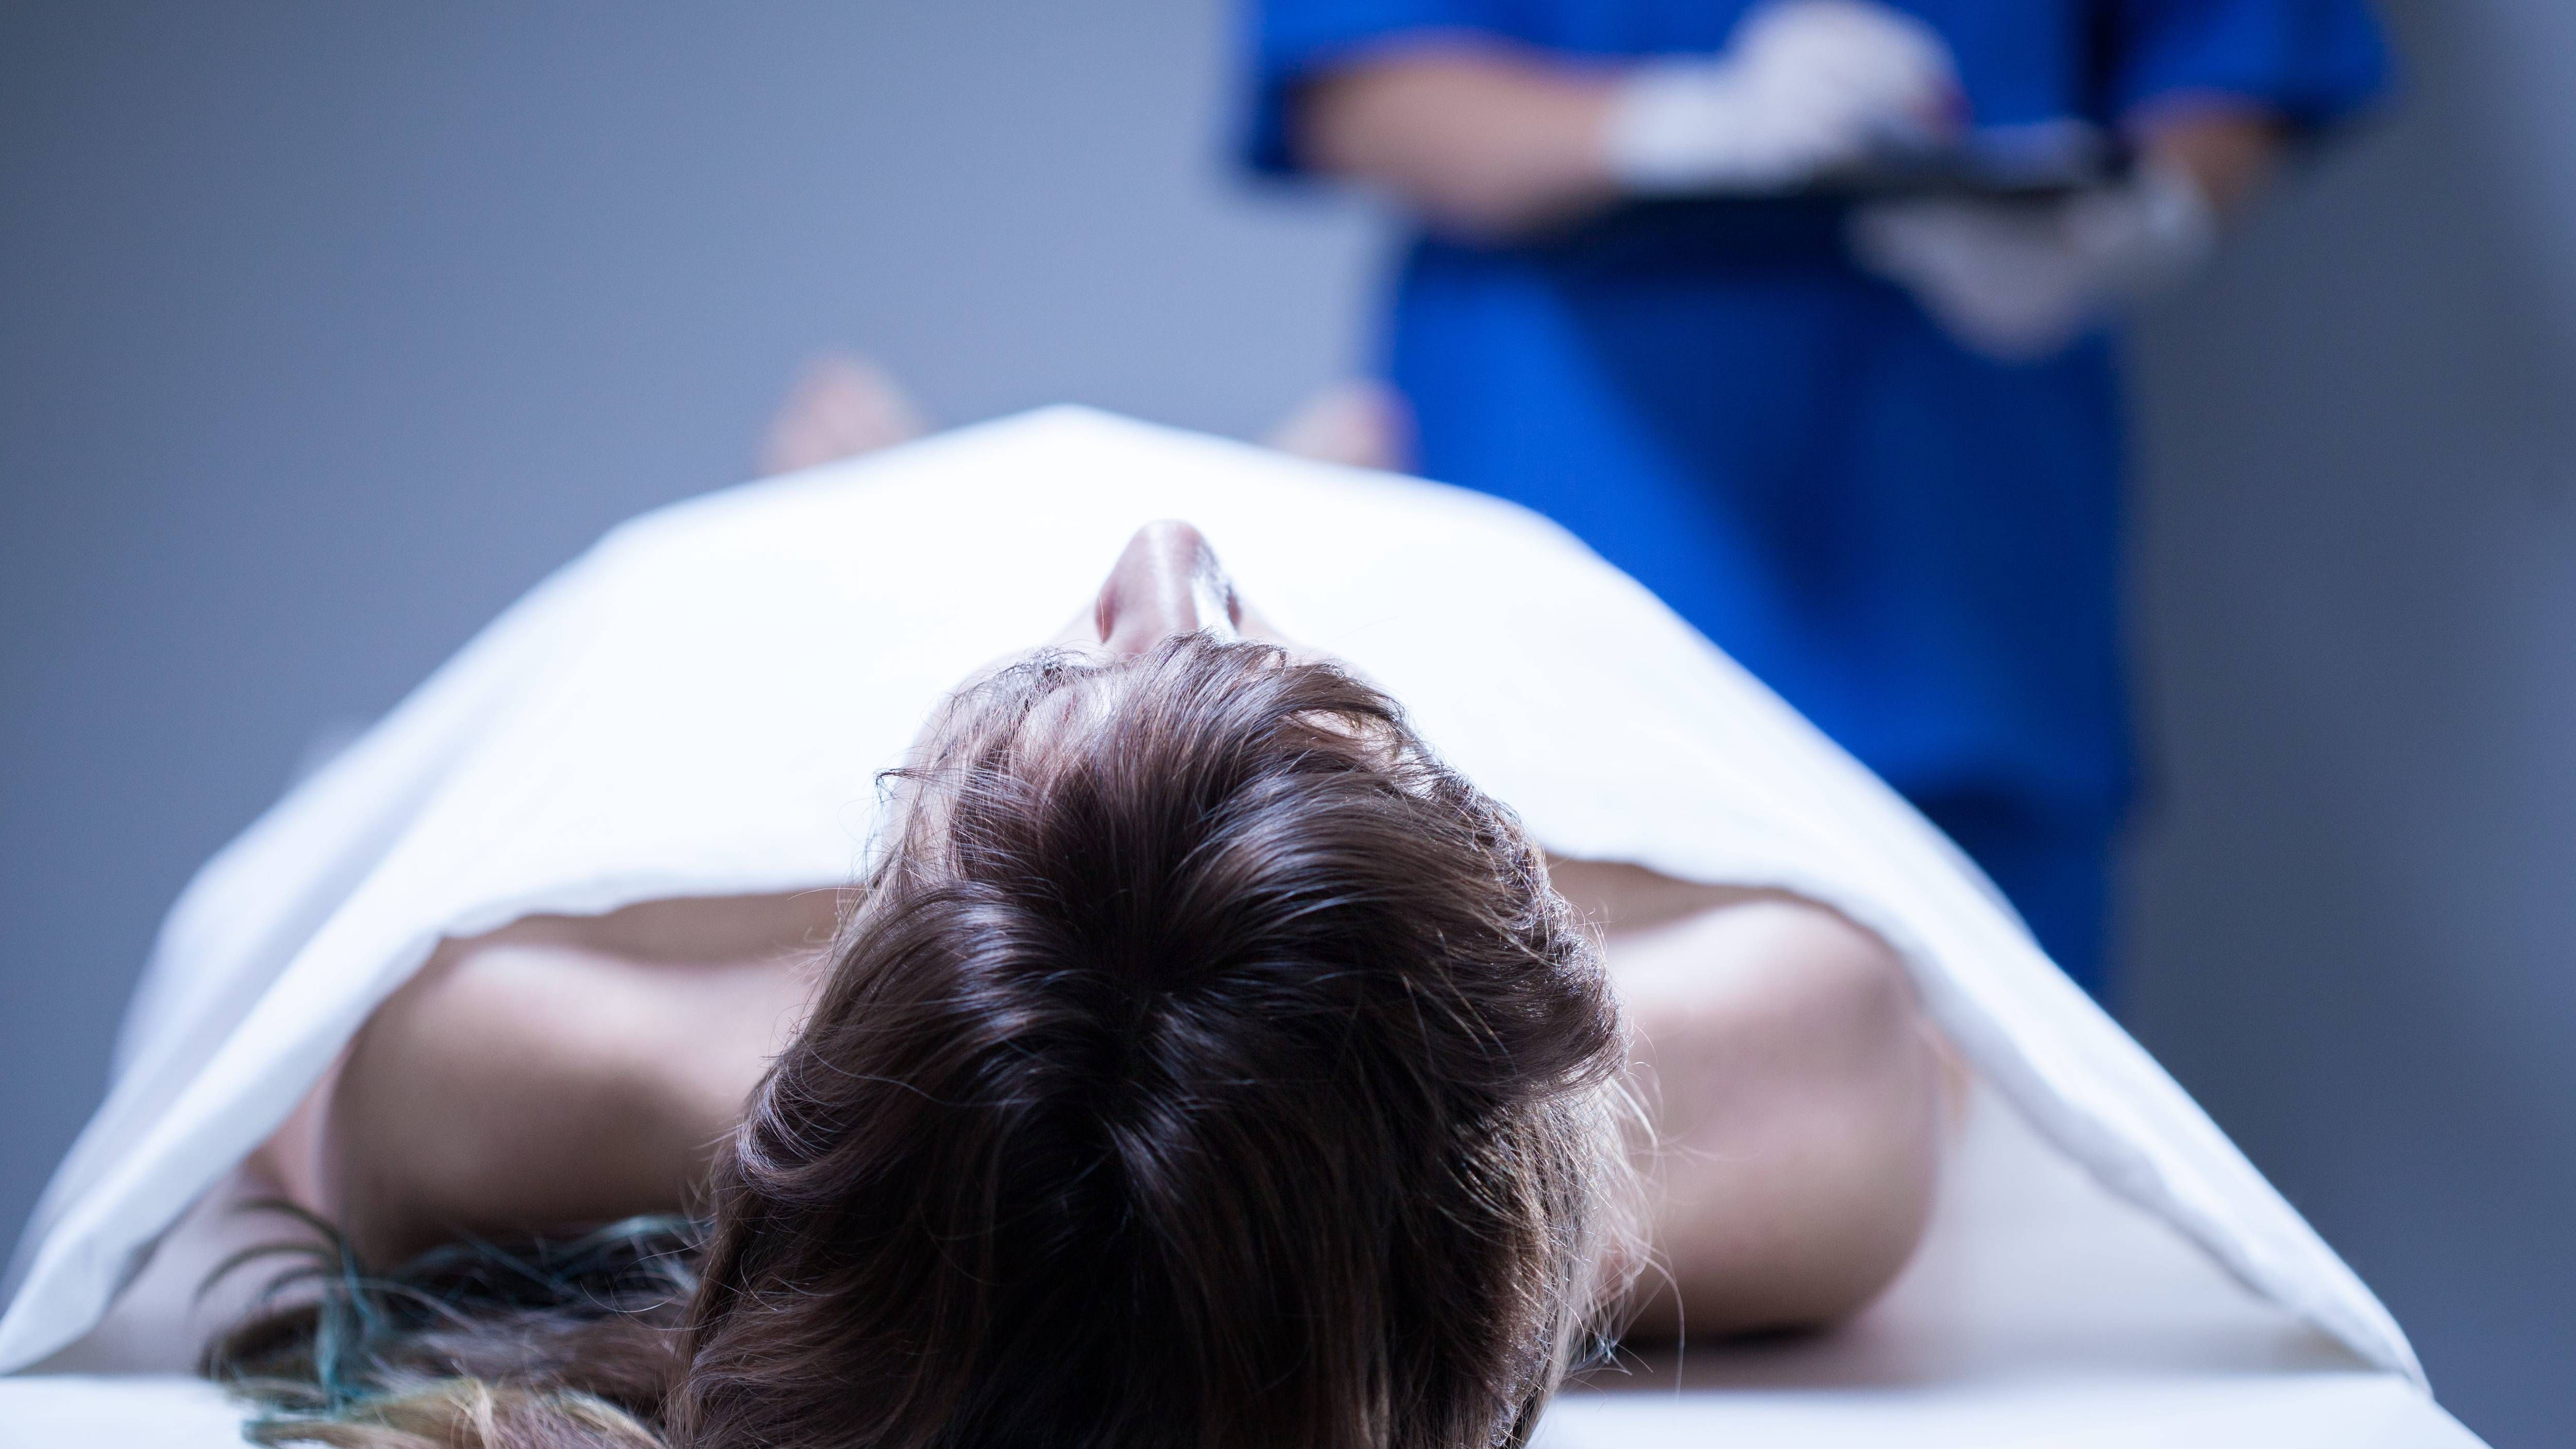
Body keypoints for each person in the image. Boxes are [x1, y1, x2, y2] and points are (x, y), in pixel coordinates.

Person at [182, 530, 1942, 1447]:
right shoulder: (1789, 1079)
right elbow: (1866, 985)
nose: (1160, 554)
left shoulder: (520, 1061)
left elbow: (294, 1042)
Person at [1240, 0, 2390, 996]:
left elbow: (2239, 49)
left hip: (1961, 546)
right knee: (1539, 1088)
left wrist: (2134, 213)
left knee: (1998, 1116)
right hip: (1573, 491)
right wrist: (1678, 126)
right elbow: (1354, 75)